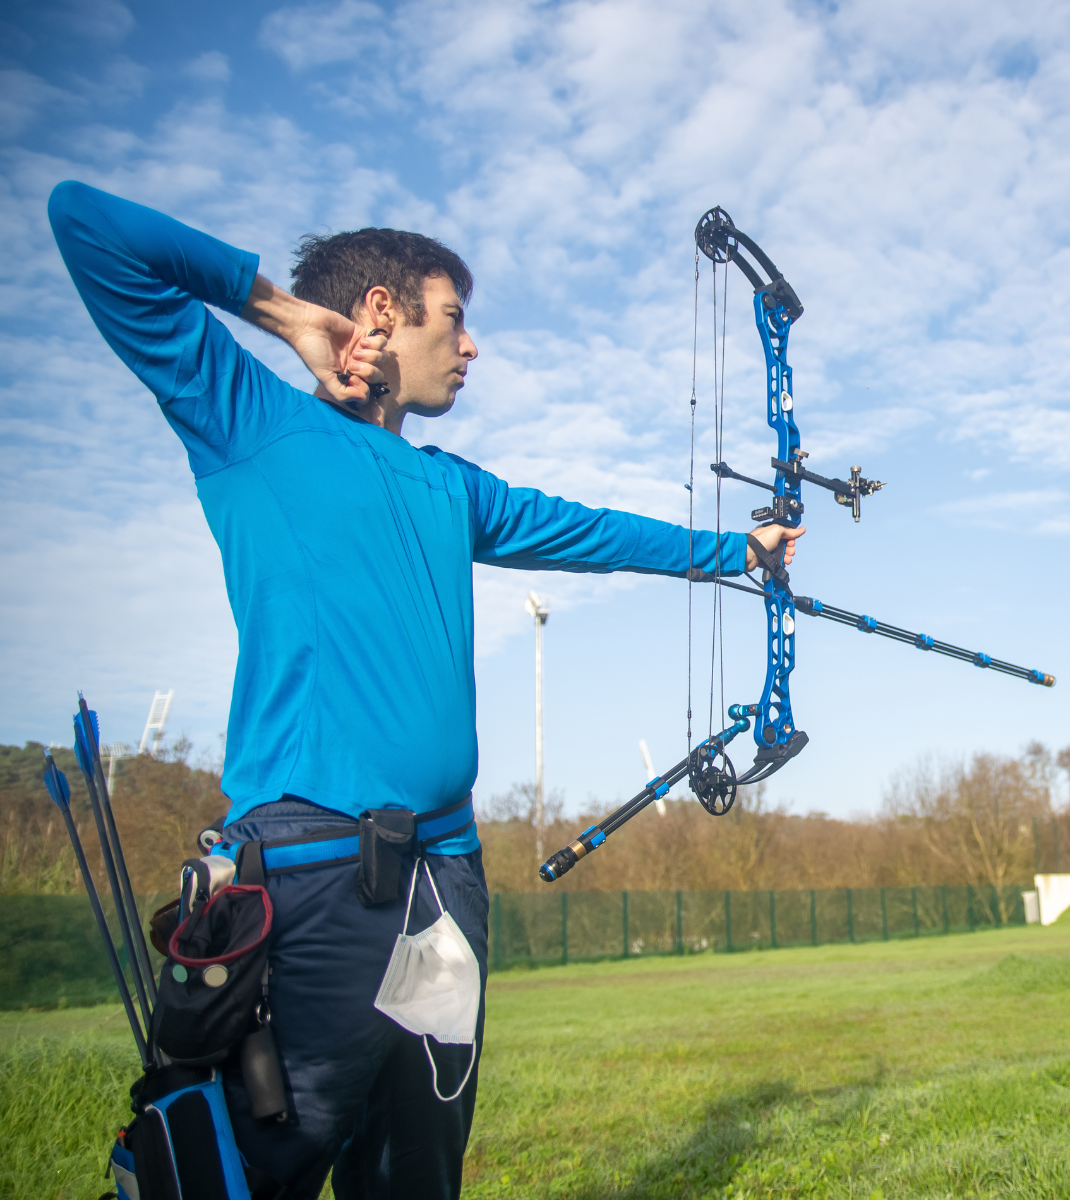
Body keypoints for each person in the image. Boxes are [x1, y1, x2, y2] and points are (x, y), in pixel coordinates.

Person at [47, 180, 801, 1199]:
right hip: (316, 871)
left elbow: (586, 530)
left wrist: (738, 551)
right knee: (262, 1168)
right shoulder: (249, 420)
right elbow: (83, 221)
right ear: (381, 312)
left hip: (446, 875)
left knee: (415, 1171)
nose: (471, 345)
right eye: (454, 318)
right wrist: (280, 313)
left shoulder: (449, 484)